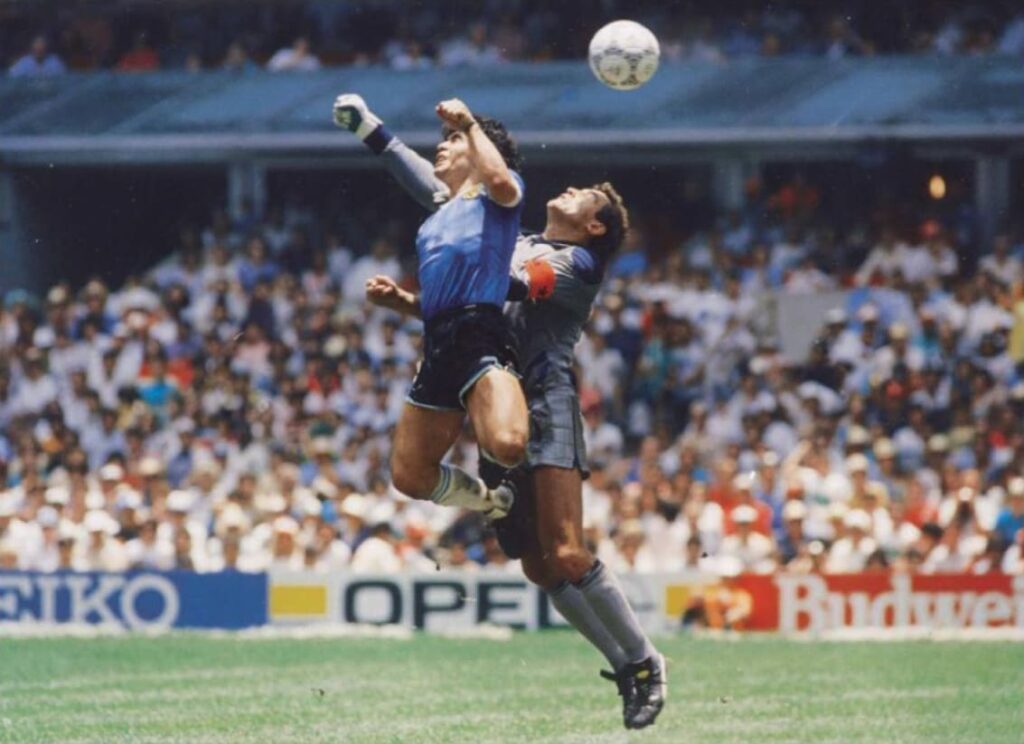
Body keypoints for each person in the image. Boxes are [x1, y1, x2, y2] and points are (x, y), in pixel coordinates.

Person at [337, 94, 665, 730]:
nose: (568, 190)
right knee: (540, 566)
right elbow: (467, 278)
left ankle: (646, 658)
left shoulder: (578, 262)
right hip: (493, 379)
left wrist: (468, 221)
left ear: (596, 225)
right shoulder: (522, 237)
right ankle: (623, 664)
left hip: (544, 398)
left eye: (582, 196)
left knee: (568, 552)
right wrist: (413, 302)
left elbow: (511, 285)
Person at [332, 93, 528, 524]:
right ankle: (492, 502)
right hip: (438, 340)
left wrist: (471, 124)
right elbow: (407, 167)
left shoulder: (500, 196)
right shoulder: (438, 216)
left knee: (508, 445)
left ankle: (522, 431)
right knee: (409, 476)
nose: (441, 145)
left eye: (453, 139)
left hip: (481, 333)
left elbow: (496, 179)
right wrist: (402, 302)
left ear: (478, 151)